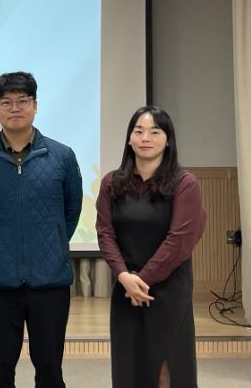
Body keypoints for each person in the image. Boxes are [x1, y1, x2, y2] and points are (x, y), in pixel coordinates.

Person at [0, 71, 83, 388]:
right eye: (6, 102)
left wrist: (53, 244)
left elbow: (71, 211)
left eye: (22, 101)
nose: (14, 108)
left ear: (35, 105)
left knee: (50, 371)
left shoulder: (62, 156)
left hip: (50, 282)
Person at [96, 106, 205, 388]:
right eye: (139, 131)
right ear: (129, 138)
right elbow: (105, 233)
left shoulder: (184, 183)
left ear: (168, 140)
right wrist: (124, 276)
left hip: (168, 289)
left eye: (155, 132)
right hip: (125, 287)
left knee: (167, 367)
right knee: (129, 365)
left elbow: (180, 240)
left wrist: (142, 280)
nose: (146, 138)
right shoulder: (111, 183)